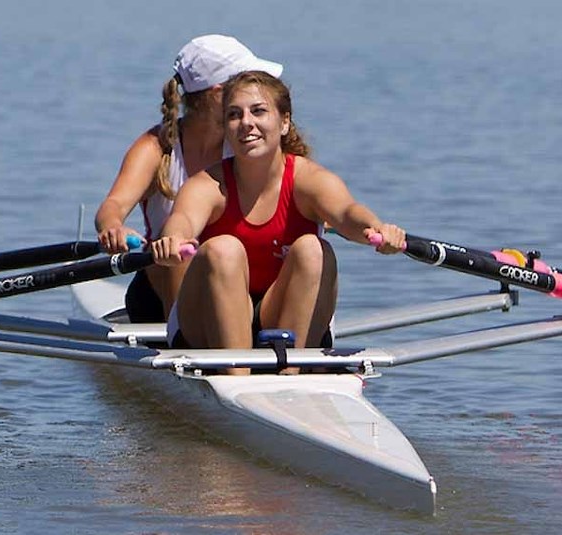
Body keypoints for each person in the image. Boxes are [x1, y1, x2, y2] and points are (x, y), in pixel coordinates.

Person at [151, 71, 405, 373]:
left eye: (258, 111)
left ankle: (291, 375)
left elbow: (347, 213)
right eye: (234, 115)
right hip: (206, 323)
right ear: (226, 129)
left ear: (284, 122)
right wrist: (172, 241)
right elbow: (182, 220)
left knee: (314, 249)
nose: (246, 123)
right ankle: (237, 380)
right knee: (223, 249)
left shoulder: (309, 179)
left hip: (282, 309)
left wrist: (376, 229)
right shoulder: (207, 185)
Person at [95, 35, 283, 323]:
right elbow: (114, 205)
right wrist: (113, 228)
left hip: (242, 285)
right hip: (162, 295)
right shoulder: (157, 148)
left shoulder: (249, 142)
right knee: (180, 252)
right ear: (219, 93)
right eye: (247, 83)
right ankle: (182, 340)